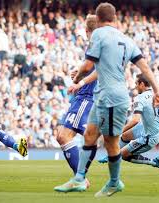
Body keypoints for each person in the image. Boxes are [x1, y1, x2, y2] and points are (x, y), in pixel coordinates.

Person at [54, 2, 159, 197]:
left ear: (99, 19)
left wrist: (78, 79)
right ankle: (79, 179)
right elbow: (144, 67)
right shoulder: (126, 40)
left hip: (112, 97)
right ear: (114, 18)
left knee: (111, 142)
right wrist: (157, 90)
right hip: (104, 95)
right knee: (89, 134)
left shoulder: (98, 34)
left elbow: (88, 65)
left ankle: (114, 182)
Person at [98, 73, 159, 168]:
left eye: (137, 83)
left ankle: (153, 162)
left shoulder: (139, 98)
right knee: (125, 135)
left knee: (123, 155)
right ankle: (110, 155)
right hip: (149, 127)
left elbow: (135, 120)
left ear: (142, 84)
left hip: (150, 136)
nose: (135, 86)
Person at [54, 15, 97, 188]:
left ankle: (80, 179)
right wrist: (79, 75)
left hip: (86, 97)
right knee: (64, 136)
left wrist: (79, 79)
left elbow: (90, 69)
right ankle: (81, 178)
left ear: (87, 30)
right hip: (84, 96)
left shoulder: (95, 44)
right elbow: (91, 69)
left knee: (64, 136)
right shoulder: (99, 45)